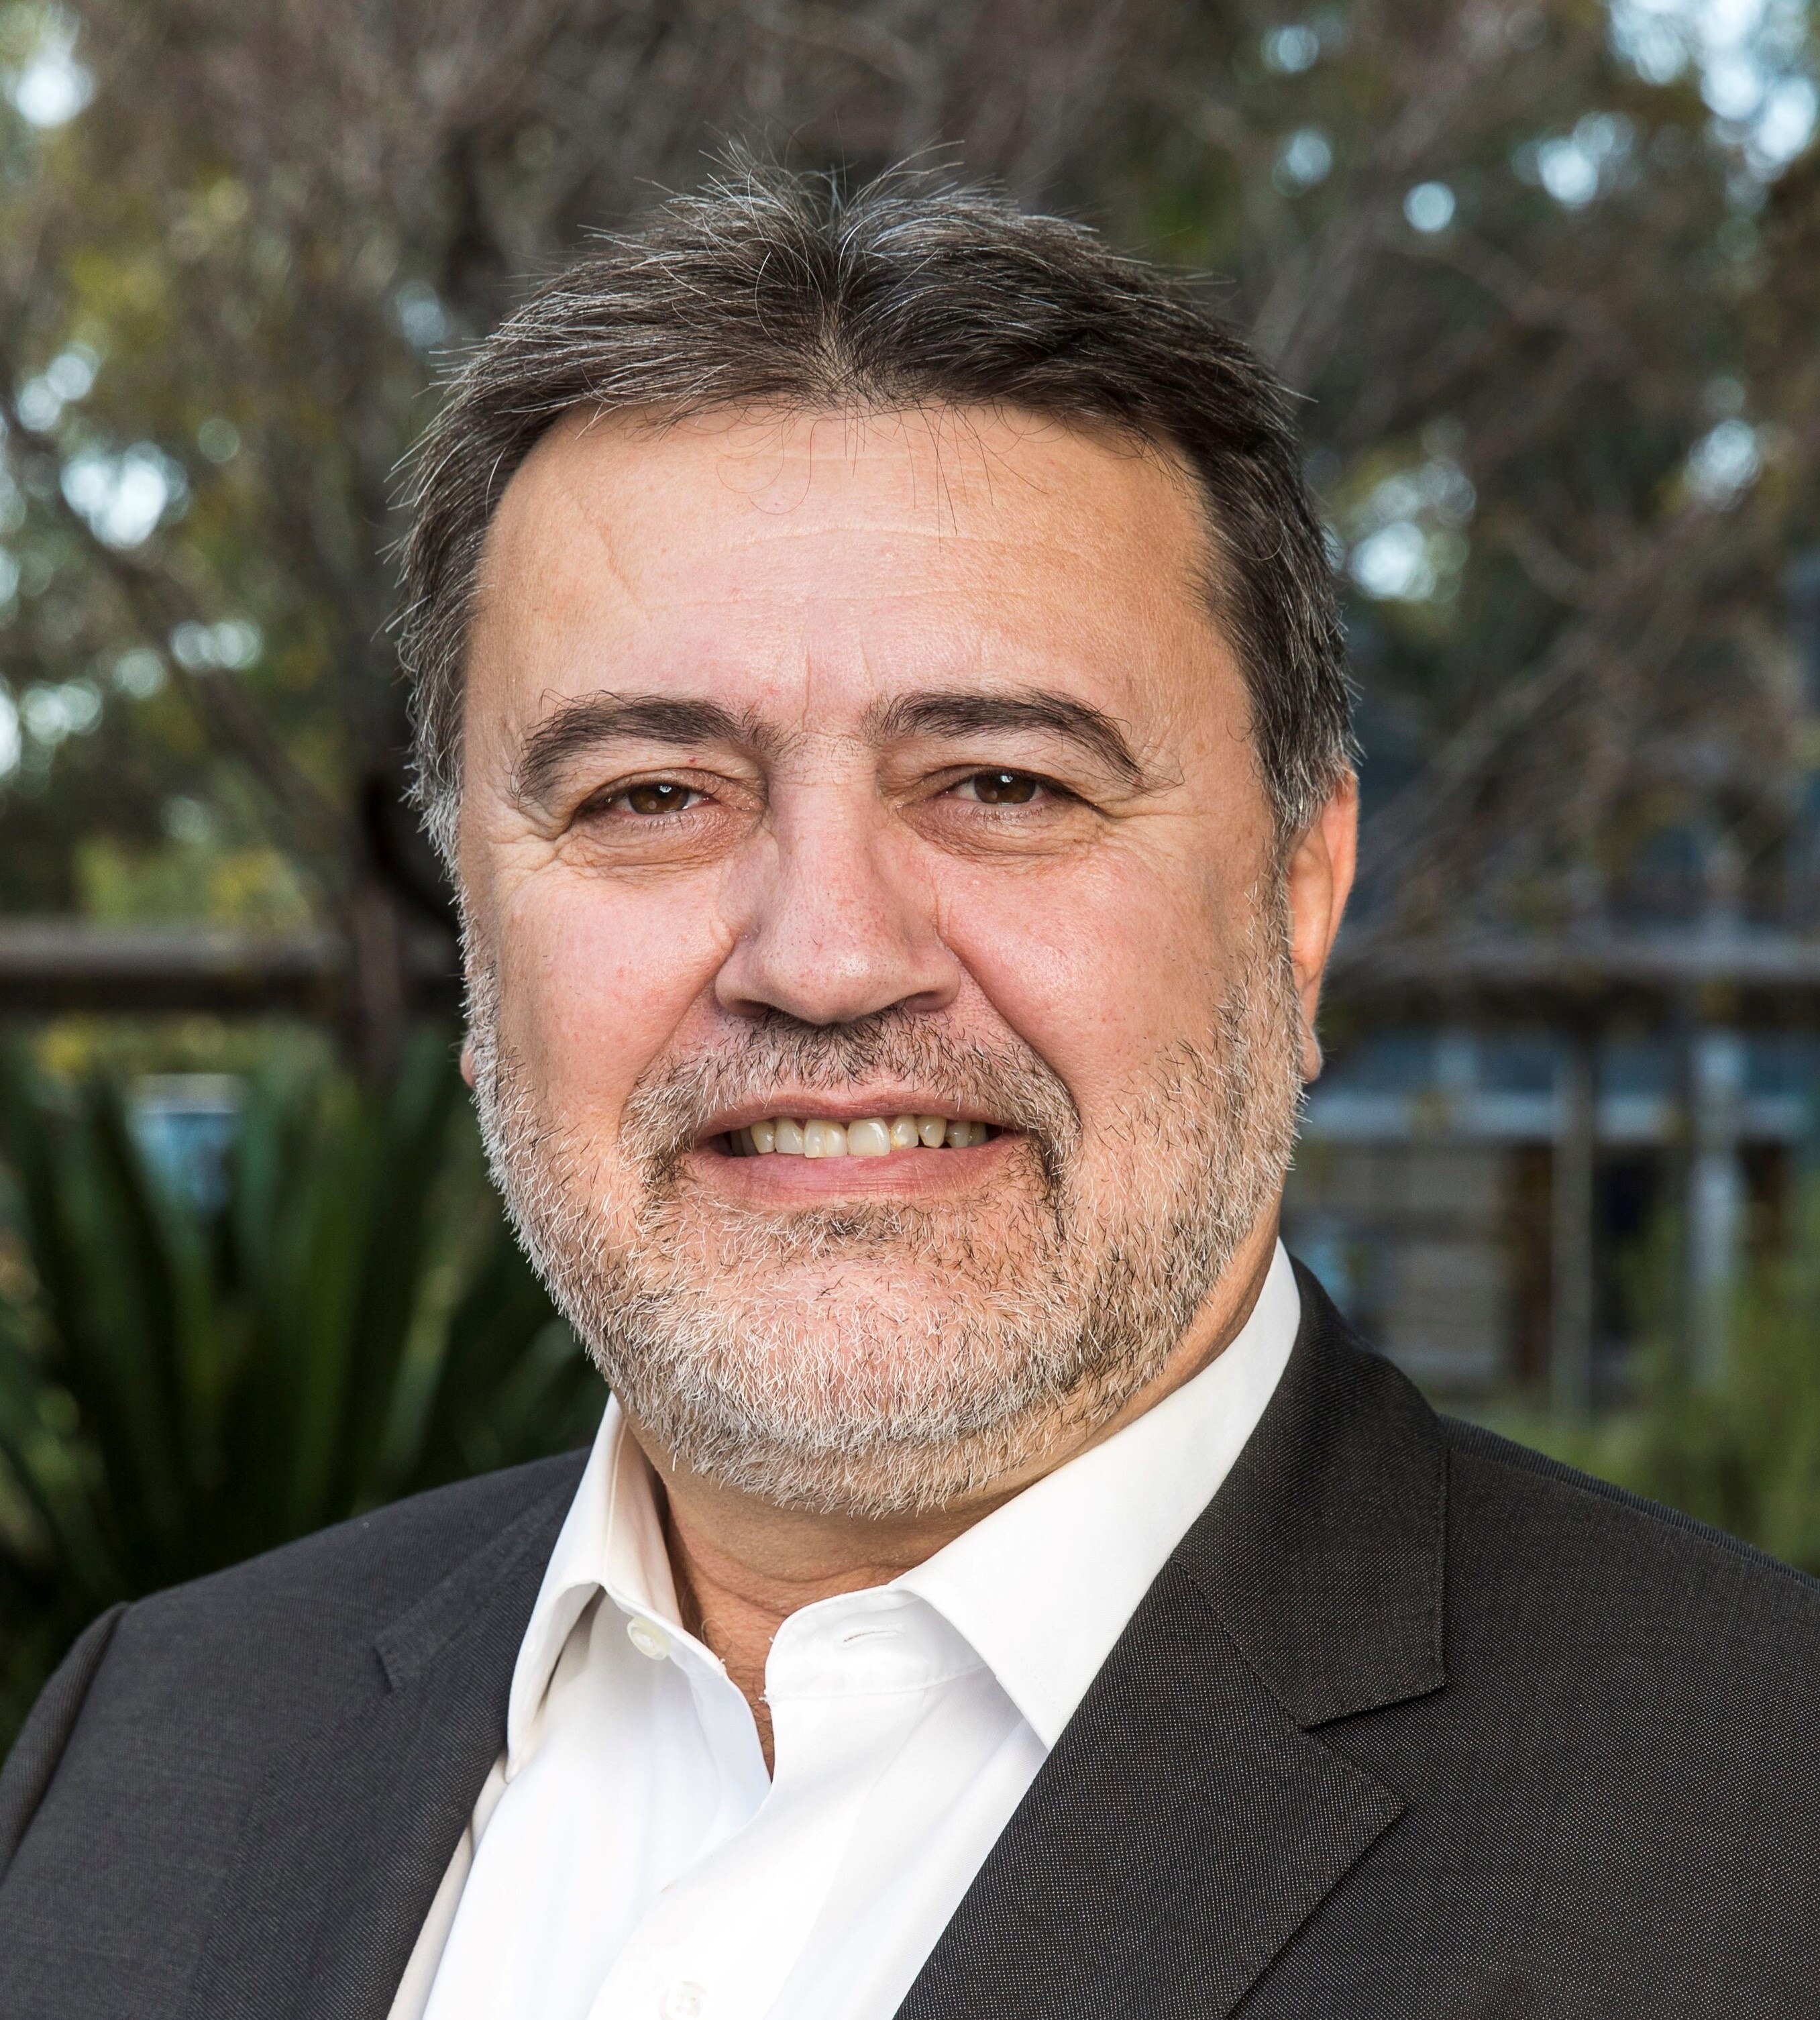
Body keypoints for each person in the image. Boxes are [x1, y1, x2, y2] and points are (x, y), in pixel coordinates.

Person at [3, 165, 1817, 2020]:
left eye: (1003, 782)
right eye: (649, 795)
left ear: (1297, 898)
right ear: (480, 931)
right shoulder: (145, 1750)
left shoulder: (1764, 1839)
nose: (824, 957)